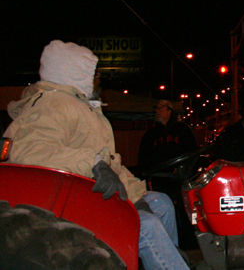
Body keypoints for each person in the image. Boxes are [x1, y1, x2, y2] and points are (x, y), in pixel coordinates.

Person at [2, 40, 190, 270]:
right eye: (94, 74)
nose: (98, 80)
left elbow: (112, 165)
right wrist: (92, 163)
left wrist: (137, 197)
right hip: (72, 200)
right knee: (147, 225)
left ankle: (170, 258)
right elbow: (25, 150)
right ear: (75, 75)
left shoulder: (82, 107)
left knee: (160, 203)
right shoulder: (51, 104)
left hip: (93, 193)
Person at [138, 99, 197, 175]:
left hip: (179, 175)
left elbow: (192, 150)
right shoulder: (151, 133)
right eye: (156, 109)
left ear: (169, 111)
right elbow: (143, 155)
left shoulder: (182, 129)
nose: (157, 111)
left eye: (160, 108)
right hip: (158, 176)